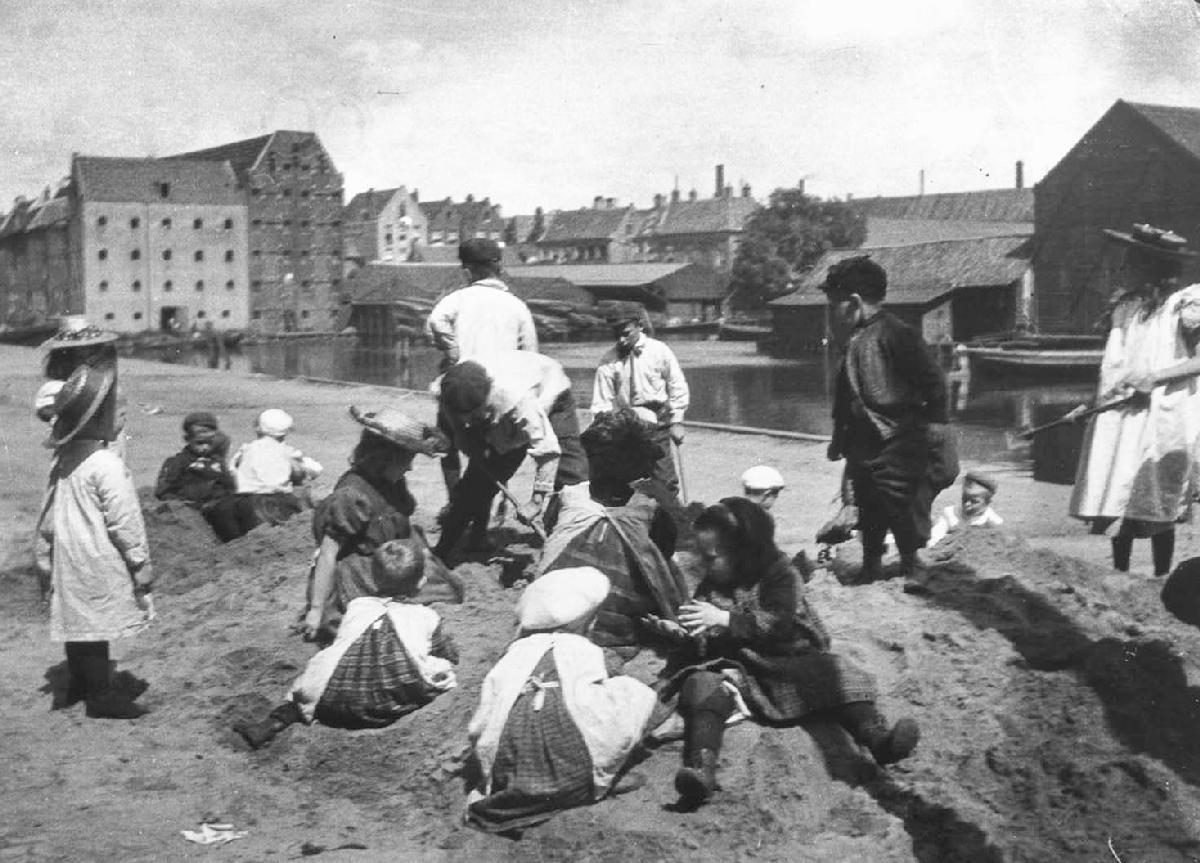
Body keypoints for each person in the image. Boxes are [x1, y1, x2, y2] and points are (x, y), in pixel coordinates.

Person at [652, 498, 919, 808]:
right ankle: (702, 765)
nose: (705, 565)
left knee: (838, 675)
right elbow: (702, 637)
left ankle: (878, 740)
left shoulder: (781, 575)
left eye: (712, 557)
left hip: (791, 659)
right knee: (700, 685)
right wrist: (683, 635)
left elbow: (778, 623)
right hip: (744, 667)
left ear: (743, 551)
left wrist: (725, 619)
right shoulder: (712, 586)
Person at [465, 567, 656, 834]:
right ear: (587, 622)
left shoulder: (514, 654)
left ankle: (519, 786)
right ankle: (596, 779)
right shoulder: (584, 650)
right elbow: (588, 707)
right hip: (573, 769)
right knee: (632, 692)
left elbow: (484, 718)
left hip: (511, 766)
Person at [235, 538, 459, 749]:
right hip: (388, 704)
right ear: (421, 583)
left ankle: (274, 722)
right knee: (437, 667)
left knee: (321, 671)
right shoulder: (426, 616)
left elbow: (349, 642)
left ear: (373, 578)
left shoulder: (358, 605)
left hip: (332, 704)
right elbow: (443, 651)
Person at [1070, 224, 1200, 577]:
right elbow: (1114, 366)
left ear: (1151, 266)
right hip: (1120, 414)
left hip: (1161, 415)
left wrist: (1155, 378)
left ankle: (1161, 576)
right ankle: (1120, 575)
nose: (1122, 267)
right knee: (1118, 489)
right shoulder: (1125, 309)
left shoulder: (1183, 306)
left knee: (1156, 493)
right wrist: (1089, 404)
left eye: (1130, 261)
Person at [35, 362, 155, 719]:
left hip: (69, 551)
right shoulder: (106, 464)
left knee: (78, 623)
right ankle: (100, 696)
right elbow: (124, 519)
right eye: (121, 414)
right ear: (99, 420)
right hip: (97, 553)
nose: (124, 420)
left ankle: (78, 684)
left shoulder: (67, 458)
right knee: (97, 626)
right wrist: (139, 561)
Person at [823, 255, 949, 581]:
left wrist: (936, 423)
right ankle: (871, 563)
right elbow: (845, 397)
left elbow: (933, 381)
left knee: (900, 501)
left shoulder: (896, 334)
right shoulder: (854, 341)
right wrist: (839, 439)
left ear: (853, 304)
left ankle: (912, 562)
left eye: (833, 306)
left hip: (898, 434)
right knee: (868, 504)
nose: (831, 315)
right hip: (863, 439)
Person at [297, 406, 461, 644]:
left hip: (395, 559)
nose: (410, 467)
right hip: (363, 570)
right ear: (385, 458)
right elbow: (327, 553)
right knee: (370, 621)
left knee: (449, 591)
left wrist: (426, 557)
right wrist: (315, 609)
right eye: (407, 460)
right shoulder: (352, 494)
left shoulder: (393, 482)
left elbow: (405, 526)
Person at [536, 410, 691, 647]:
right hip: (618, 628)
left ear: (591, 460)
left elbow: (551, 534)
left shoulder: (568, 498)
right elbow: (664, 559)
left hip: (551, 612)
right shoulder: (650, 512)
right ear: (639, 468)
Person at [433, 351, 589, 561]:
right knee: (474, 485)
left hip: (550, 392)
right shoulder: (446, 390)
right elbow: (457, 431)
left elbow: (548, 451)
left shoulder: (516, 399)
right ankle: (448, 549)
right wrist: (471, 444)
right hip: (499, 409)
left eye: (474, 415)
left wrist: (536, 501)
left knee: (571, 475)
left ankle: (580, 542)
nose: (468, 422)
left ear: (487, 399)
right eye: (464, 417)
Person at [426, 238, 539, 526]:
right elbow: (531, 355)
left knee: (448, 444)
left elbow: (435, 322)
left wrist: (451, 350)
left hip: (460, 386)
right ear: (497, 267)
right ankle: (481, 520)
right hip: (497, 394)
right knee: (491, 452)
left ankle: (456, 502)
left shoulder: (457, 299)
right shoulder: (517, 306)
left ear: (468, 270)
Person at [590, 302, 690, 497]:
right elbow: (601, 401)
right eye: (616, 334)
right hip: (627, 425)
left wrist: (677, 420)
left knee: (665, 479)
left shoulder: (659, 351)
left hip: (658, 421)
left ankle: (670, 512)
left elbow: (677, 384)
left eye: (625, 333)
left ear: (640, 326)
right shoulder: (608, 360)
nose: (621, 339)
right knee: (630, 480)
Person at [228, 408, 322, 533]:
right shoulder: (286, 451)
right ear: (285, 433)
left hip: (245, 501)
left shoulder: (245, 449)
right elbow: (315, 469)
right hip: (277, 500)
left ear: (258, 428)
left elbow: (232, 470)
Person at [928, 471, 1004, 547]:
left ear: (987, 503)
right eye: (964, 499)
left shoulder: (993, 522)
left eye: (974, 501)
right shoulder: (950, 514)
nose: (967, 504)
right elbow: (934, 537)